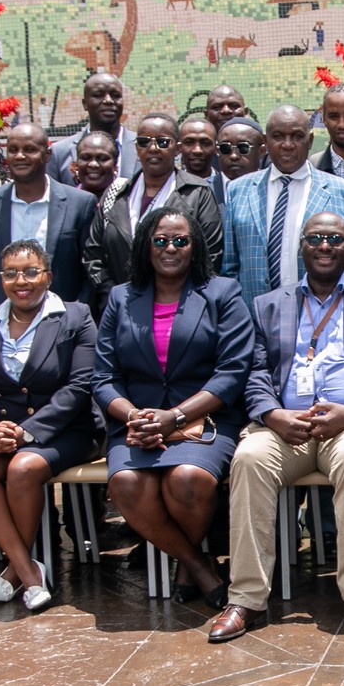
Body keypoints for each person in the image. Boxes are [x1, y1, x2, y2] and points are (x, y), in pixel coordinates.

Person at [211, 214, 344, 643]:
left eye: (334, 238)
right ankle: (245, 597)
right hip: (286, 427)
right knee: (248, 457)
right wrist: (271, 414)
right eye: (315, 238)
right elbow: (255, 372)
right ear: (301, 245)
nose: (324, 245)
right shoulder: (266, 304)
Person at [94, 207, 252, 608]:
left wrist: (175, 416)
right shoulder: (120, 297)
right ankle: (197, 564)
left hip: (203, 421)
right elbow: (103, 377)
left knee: (187, 479)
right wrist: (132, 415)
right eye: (160, 240)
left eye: (181, 240)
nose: (170, 248)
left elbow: (232, 371)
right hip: (136, 422)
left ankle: (187, 567)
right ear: (145, 245)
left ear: (195, 246)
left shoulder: (222, 293)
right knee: (127, 484)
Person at [0, 239, 99, 612]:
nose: (22, 280)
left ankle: (14, 572)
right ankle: (28, 570)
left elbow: (81, 385)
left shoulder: (75, 316)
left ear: (48, 276)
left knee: (24, 466)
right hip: (0, 431)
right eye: (11, 273)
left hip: (66, 429)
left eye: (31, 271)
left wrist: (27, 431)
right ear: (1, 279)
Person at [221, 106, 344, 301]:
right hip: (254, 321)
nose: (288, 145)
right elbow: (230, 268)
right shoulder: (239, 190)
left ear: (310, 141)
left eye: (297, 137)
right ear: (265, 142)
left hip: (323, 319)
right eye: (278, 136)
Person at [87, 115, 224, 302]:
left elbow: (211, 255)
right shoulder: (115, 192)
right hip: (122, 306)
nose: (153, 148)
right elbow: (93, 255)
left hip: (178, 305)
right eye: (144, 142)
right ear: (136, 149)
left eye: (162, 142)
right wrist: (113, 295)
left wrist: (176, 299)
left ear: (177, 149)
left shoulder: (197, 192)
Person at [0, 123, 92, 309]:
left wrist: (74, 318)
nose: (19, 156)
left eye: (29, 149)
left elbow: (89, 272)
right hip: (4, 328)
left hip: (64, 323)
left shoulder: (80, 204)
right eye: (13, 150)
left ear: (47, 154)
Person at [49, 72, 139, 184]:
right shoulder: (59, 153)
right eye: (98, 95)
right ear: (85, 104)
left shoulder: (142, 146)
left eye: (115, 95)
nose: (108, 100)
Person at [175, 117, 224, 203]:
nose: (197, 150)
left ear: (216, 148)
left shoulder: (226, 188)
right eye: (189, 143)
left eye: (205, 143)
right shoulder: (171, 188)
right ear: (179, 148)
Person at [71, 130, 122, 199]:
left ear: (115, 166)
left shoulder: (128, 201)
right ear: (76, 165)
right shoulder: (66, 202)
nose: (93, 164)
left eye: (102, 158)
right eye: (86, 158)